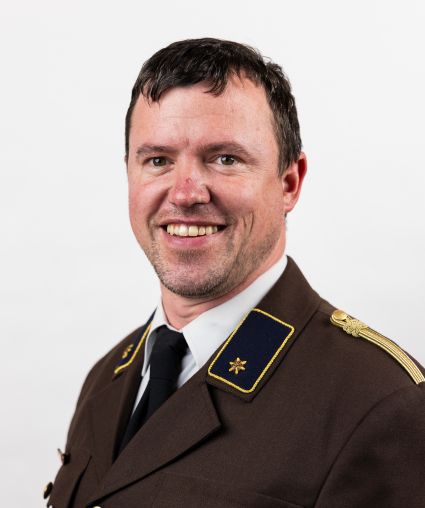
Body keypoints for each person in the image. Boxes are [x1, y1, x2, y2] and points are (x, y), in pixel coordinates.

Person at [44, 38, 425, 508]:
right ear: (129, 174)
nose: (185, 193)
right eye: (158, 160)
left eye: (225, 159)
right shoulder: (108, 378)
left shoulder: (377, 403)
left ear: (289, 183)